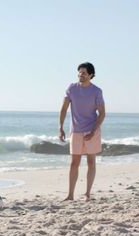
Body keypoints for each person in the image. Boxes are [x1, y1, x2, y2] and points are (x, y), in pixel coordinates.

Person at [59, 62, 105, 202]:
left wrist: (93, 131)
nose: (81, 75)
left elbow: (102, 114)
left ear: (91, 75)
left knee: (91, 162)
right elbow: (64, 109)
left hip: (92, 130)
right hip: (76, 131)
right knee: (74, 163)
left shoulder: (96, 91)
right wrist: (60, 127)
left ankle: (87, 194)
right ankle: (70, 195)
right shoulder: (71, 89)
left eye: (84, 73)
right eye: (79, 73)